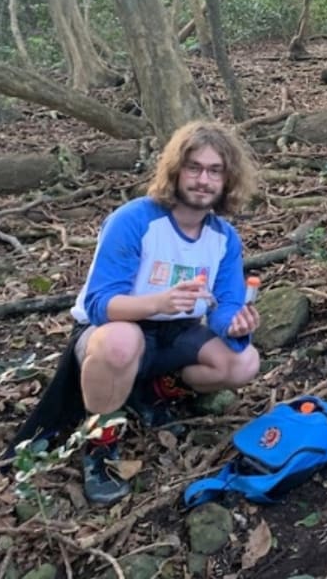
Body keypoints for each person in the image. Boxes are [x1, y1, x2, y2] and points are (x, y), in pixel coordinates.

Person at [66, 120, 261, 505]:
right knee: (124, 340)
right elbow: (99, 303)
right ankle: (99, 446)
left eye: (215, 171)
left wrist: (236, 323)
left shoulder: (223, 237)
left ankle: (148, 394)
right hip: (111, 333)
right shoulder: (134, 220)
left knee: (243, 363)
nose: (203, 180)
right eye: (194, 168)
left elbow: (225, 304)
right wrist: (157, 303)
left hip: (173, 333)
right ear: (176, 170)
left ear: (227, 180)